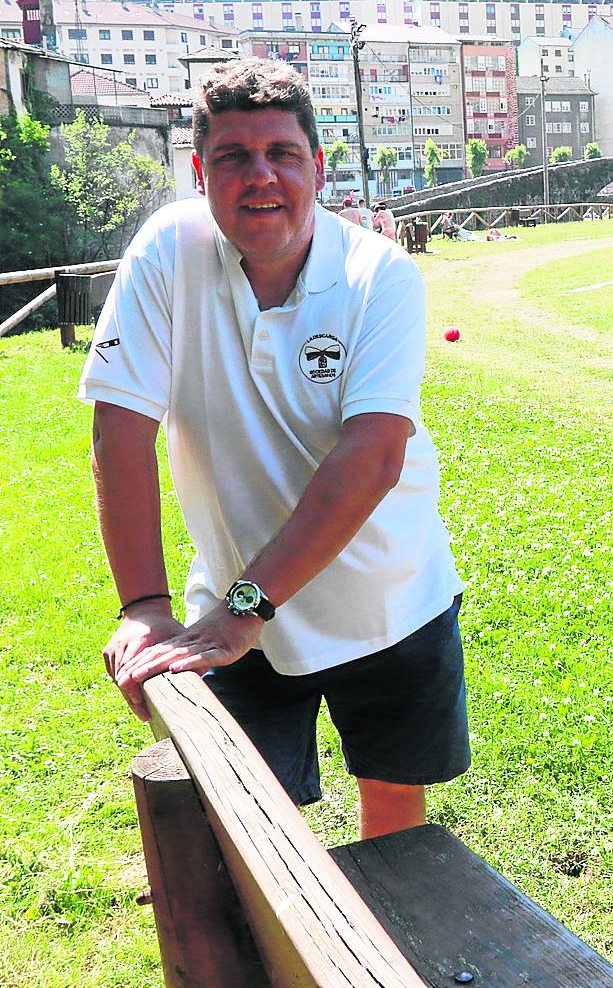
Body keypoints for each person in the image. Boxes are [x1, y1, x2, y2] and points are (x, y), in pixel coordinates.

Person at [81, 58, 468, 840]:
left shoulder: (378, 276)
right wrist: (145, 607)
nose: (260, 176)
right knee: (242, 827)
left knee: (393, 828)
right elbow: (121, 423)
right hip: (228, 596)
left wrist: (246, 608)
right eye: (232, 157)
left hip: (386, 599)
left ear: (317, 167)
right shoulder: (168, 250)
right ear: (200, 172)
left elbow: (371, 457)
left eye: (281, 154)